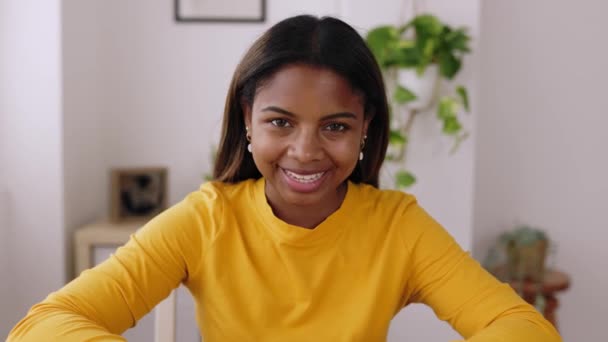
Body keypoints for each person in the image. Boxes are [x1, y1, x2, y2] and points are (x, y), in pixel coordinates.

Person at [8, 15, 561, 342]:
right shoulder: (207, 219)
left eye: (336, 126)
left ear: (366, 126)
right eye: (280, 122)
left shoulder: (399, 228)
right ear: (246, 119)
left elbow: (518, 325)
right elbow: (45, 325)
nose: (305, 151)